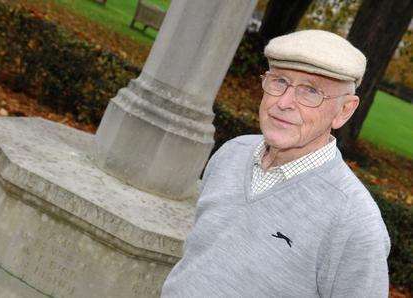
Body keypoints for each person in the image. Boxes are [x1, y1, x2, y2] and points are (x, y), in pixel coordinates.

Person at [161, 29, 391, 297]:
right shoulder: (232, 153)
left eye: (311, 91)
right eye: (279, 81)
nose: (284, 102)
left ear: (344, 110)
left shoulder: (354, 220)